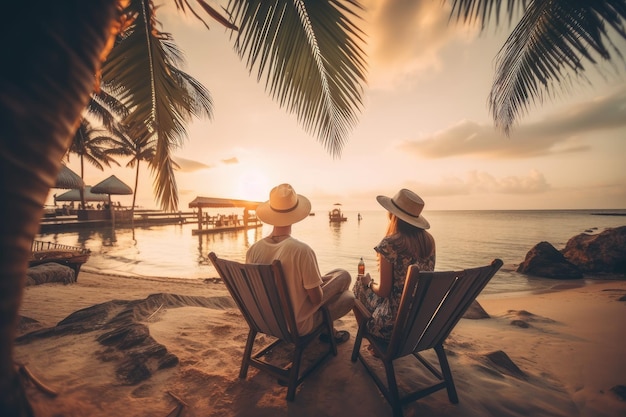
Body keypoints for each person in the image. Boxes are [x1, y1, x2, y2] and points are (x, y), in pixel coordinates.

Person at [246, 183, 354, 344]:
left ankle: (329, 323)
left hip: (269, 322)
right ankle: (329, 330)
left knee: (341, 274)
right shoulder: (301, 251)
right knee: (349, 297)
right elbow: (317, 299)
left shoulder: (253, 250)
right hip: (298, 326)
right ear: (295, 214)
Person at [352, 188, 436, 342]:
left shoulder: (390, 243)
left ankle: (369, 336)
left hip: (391, 326)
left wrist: (369, 283)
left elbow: (384, 291)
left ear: (393, 215)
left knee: (358, 284)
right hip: (416, 323)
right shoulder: (428, 241)